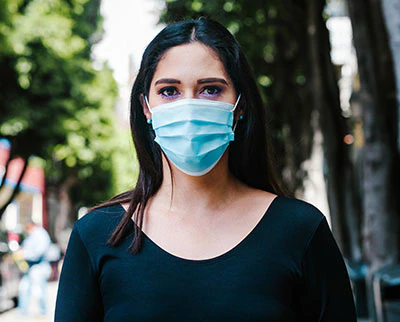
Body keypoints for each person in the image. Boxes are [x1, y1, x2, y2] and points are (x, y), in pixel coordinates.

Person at [55, 18, 357, 321]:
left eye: (211, 89)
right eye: (169, 91)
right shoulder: (97, 236)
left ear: (239, 105)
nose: (189, 107)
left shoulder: (300, 230)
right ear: (146, 107)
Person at [17, 220, 51, 316]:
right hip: (31, 266)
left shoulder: (39, 234)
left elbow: (40, 251)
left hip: (38, 266)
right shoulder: (33, 235)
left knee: (39, 290)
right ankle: (23, 312)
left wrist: (25, 255)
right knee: (24, 288)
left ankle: (42, 312)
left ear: (30, 226)